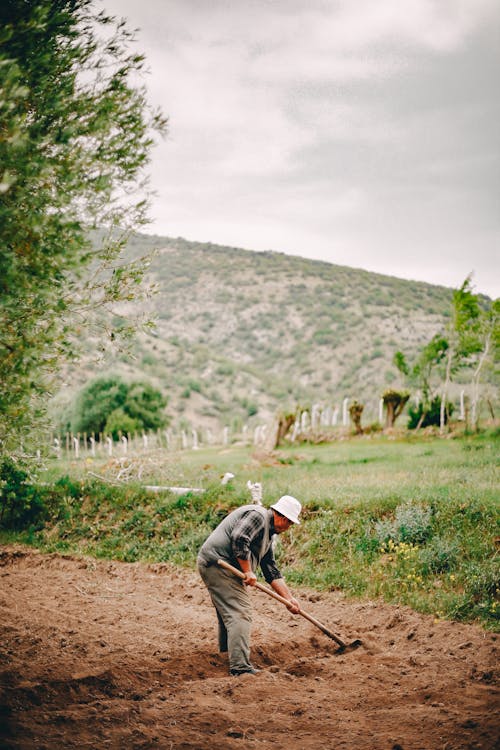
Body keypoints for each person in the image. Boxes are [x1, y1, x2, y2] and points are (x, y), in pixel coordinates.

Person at [197, 494, 302, 676]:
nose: (288, 528)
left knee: (229, 613)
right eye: (290, 523)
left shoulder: (268, 535)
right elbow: (239, 538)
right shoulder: (258, 516)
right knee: (240, 612)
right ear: (284, 518)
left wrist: (289, 599)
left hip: (223, 565)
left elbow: (270, 569)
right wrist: (247, 570)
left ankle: (228, 655)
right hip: (218, 563)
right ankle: (240, 667)